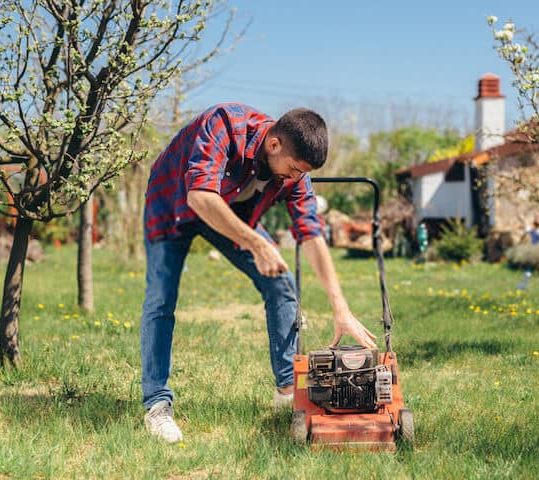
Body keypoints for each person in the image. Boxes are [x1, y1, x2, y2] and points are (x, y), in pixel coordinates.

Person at [141, 103, 377, 443]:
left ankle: (286, 392)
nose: (296, 178)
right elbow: (199, 197)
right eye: (294, 170)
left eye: (302, 174)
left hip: (228, 211)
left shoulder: (292, 171)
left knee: (281, 282)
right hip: (174, 203)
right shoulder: (224, 124)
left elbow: (310, 234)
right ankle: (157, 406)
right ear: (274, 144)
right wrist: (257, 243)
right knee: (161, 300)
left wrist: (341, 310)